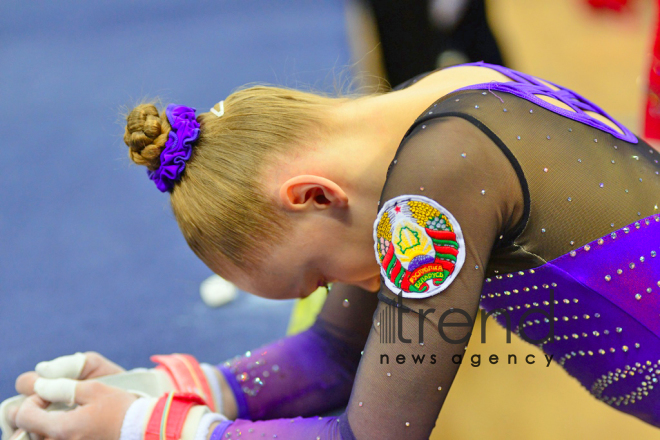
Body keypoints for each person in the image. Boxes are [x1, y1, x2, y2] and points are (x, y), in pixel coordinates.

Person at [7, 61, 660, 439]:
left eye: (317, 276)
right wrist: (164, 389)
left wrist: (148, 428)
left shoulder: (437, 183)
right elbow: (330, 353)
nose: (342, 288)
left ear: (313, 196)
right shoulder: (437, 111)